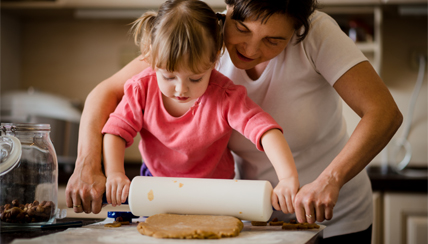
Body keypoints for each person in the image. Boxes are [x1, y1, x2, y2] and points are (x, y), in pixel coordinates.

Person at [66, 0, 403, 242]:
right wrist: (91, 166)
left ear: (297, 31)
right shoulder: (201, 39)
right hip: (255, 212)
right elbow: (106, 93)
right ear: (227, 11)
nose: (251, 49)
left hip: (333, 213)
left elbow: (384, 113)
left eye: (273, 40)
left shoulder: (317, 34)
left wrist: (329, 179)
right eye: (241, 29)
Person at [100, 0, 298, 212]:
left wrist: (287, 177)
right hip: (157, 191)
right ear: (152, 58)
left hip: (215, 194)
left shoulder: (224, 95)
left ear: (213, 61)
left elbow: (265, 130)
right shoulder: (141, 89)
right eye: (168, 76)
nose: (180, 90)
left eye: (195, 79)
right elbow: (116, 131)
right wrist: (115, 173)